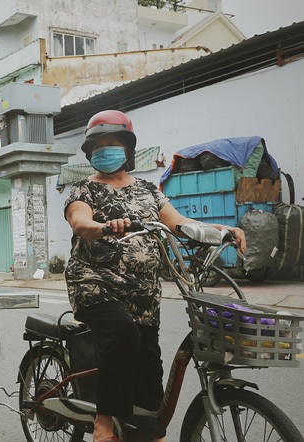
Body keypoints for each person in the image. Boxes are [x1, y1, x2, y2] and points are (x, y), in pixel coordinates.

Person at [64, 110, 246, 442]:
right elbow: (80, 222)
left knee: (149, 366)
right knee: (122, 335)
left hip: (142, 293)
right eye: (100, 145)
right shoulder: (83, 190)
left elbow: (180, 224)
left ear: (128, 149)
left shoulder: (149, 190)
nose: (107, 150)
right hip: (94, 284)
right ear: (90, 153)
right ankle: (104, 419)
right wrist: (103, 226)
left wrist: (223, 230)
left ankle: (150, 431)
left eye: (114, 143)